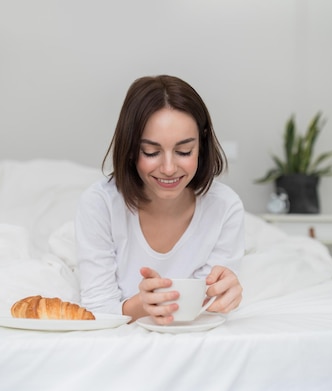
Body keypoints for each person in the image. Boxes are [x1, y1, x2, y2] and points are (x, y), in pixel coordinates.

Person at [75, 75, 244, 324]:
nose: (168, 168)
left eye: (184, 151)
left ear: (203, 144)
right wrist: (140, 305)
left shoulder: (225, 206)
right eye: (151, 152)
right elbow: (96, 310)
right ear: (131, 149)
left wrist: (224, 296)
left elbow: (205, 307)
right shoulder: (99, 205)